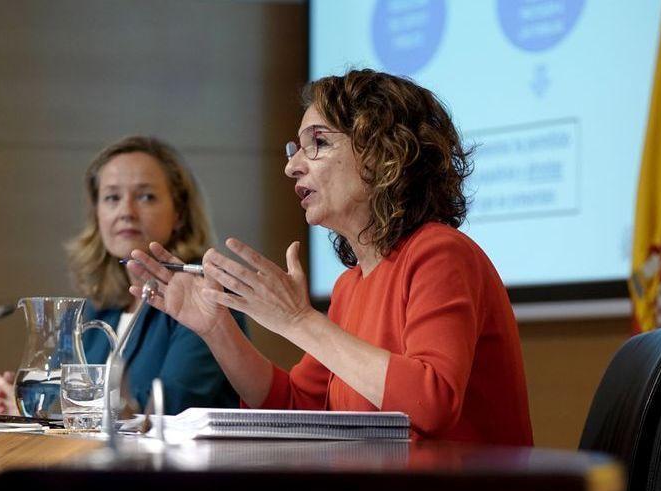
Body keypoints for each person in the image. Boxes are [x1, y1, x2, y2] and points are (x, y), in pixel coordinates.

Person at [129, 70, 532, 444]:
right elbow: (297, 408)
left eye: (317, 143)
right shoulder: (351, 286)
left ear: (384, 154)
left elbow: (433, 401)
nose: (291, 167)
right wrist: (217, 329)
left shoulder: (441, 254)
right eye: (295, 149)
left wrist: (299, 321)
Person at [0, 136, 243, 418]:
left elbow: (168, 404)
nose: (126, 211)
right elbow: (53, 392)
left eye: (146, 196)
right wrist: (9, 403)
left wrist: (44, 410)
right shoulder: (89, 310)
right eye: (112, 198)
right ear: (97, 214)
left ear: (179, 214)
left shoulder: (209, 294)